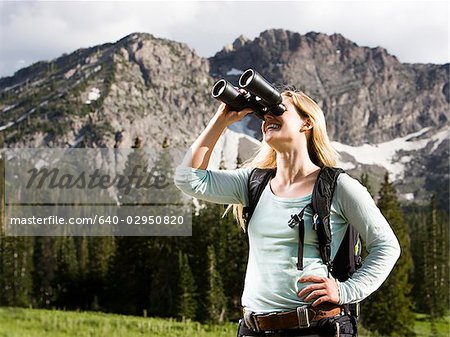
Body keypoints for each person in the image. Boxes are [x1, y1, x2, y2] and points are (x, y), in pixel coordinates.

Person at [174, 89, 401, 337]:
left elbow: (386, 246)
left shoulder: (337, 186)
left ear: (307, 123)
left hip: (315, 328)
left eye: (279, 109)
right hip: (254, 328)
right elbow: (189, 179)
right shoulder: (253, 183)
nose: (268, 117)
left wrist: (346, 291)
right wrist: (222, 119)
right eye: (266, 112)